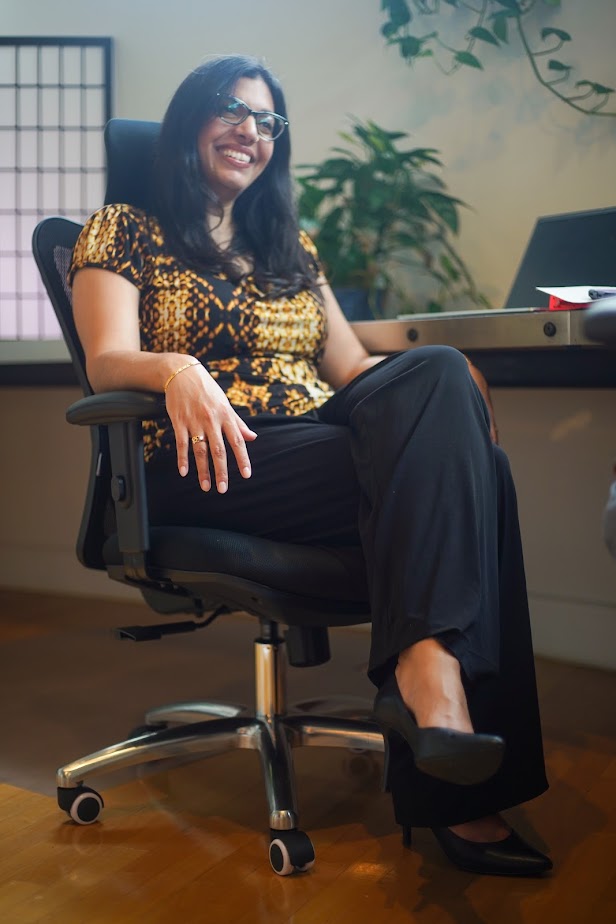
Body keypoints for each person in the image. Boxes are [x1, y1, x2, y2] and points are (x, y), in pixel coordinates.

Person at [69, 54, 551, 877]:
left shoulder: (289, 243)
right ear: (189, 122)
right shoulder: (127, 224)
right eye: (230, 110)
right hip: (211, 458)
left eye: (266, 121)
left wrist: (446, 389)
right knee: (483, 482)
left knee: (438, 375)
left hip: (316, 444)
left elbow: (353, 371)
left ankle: (434, 699)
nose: (249, 131)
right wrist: (177, 367)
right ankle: (450, 758)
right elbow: (109, 358)